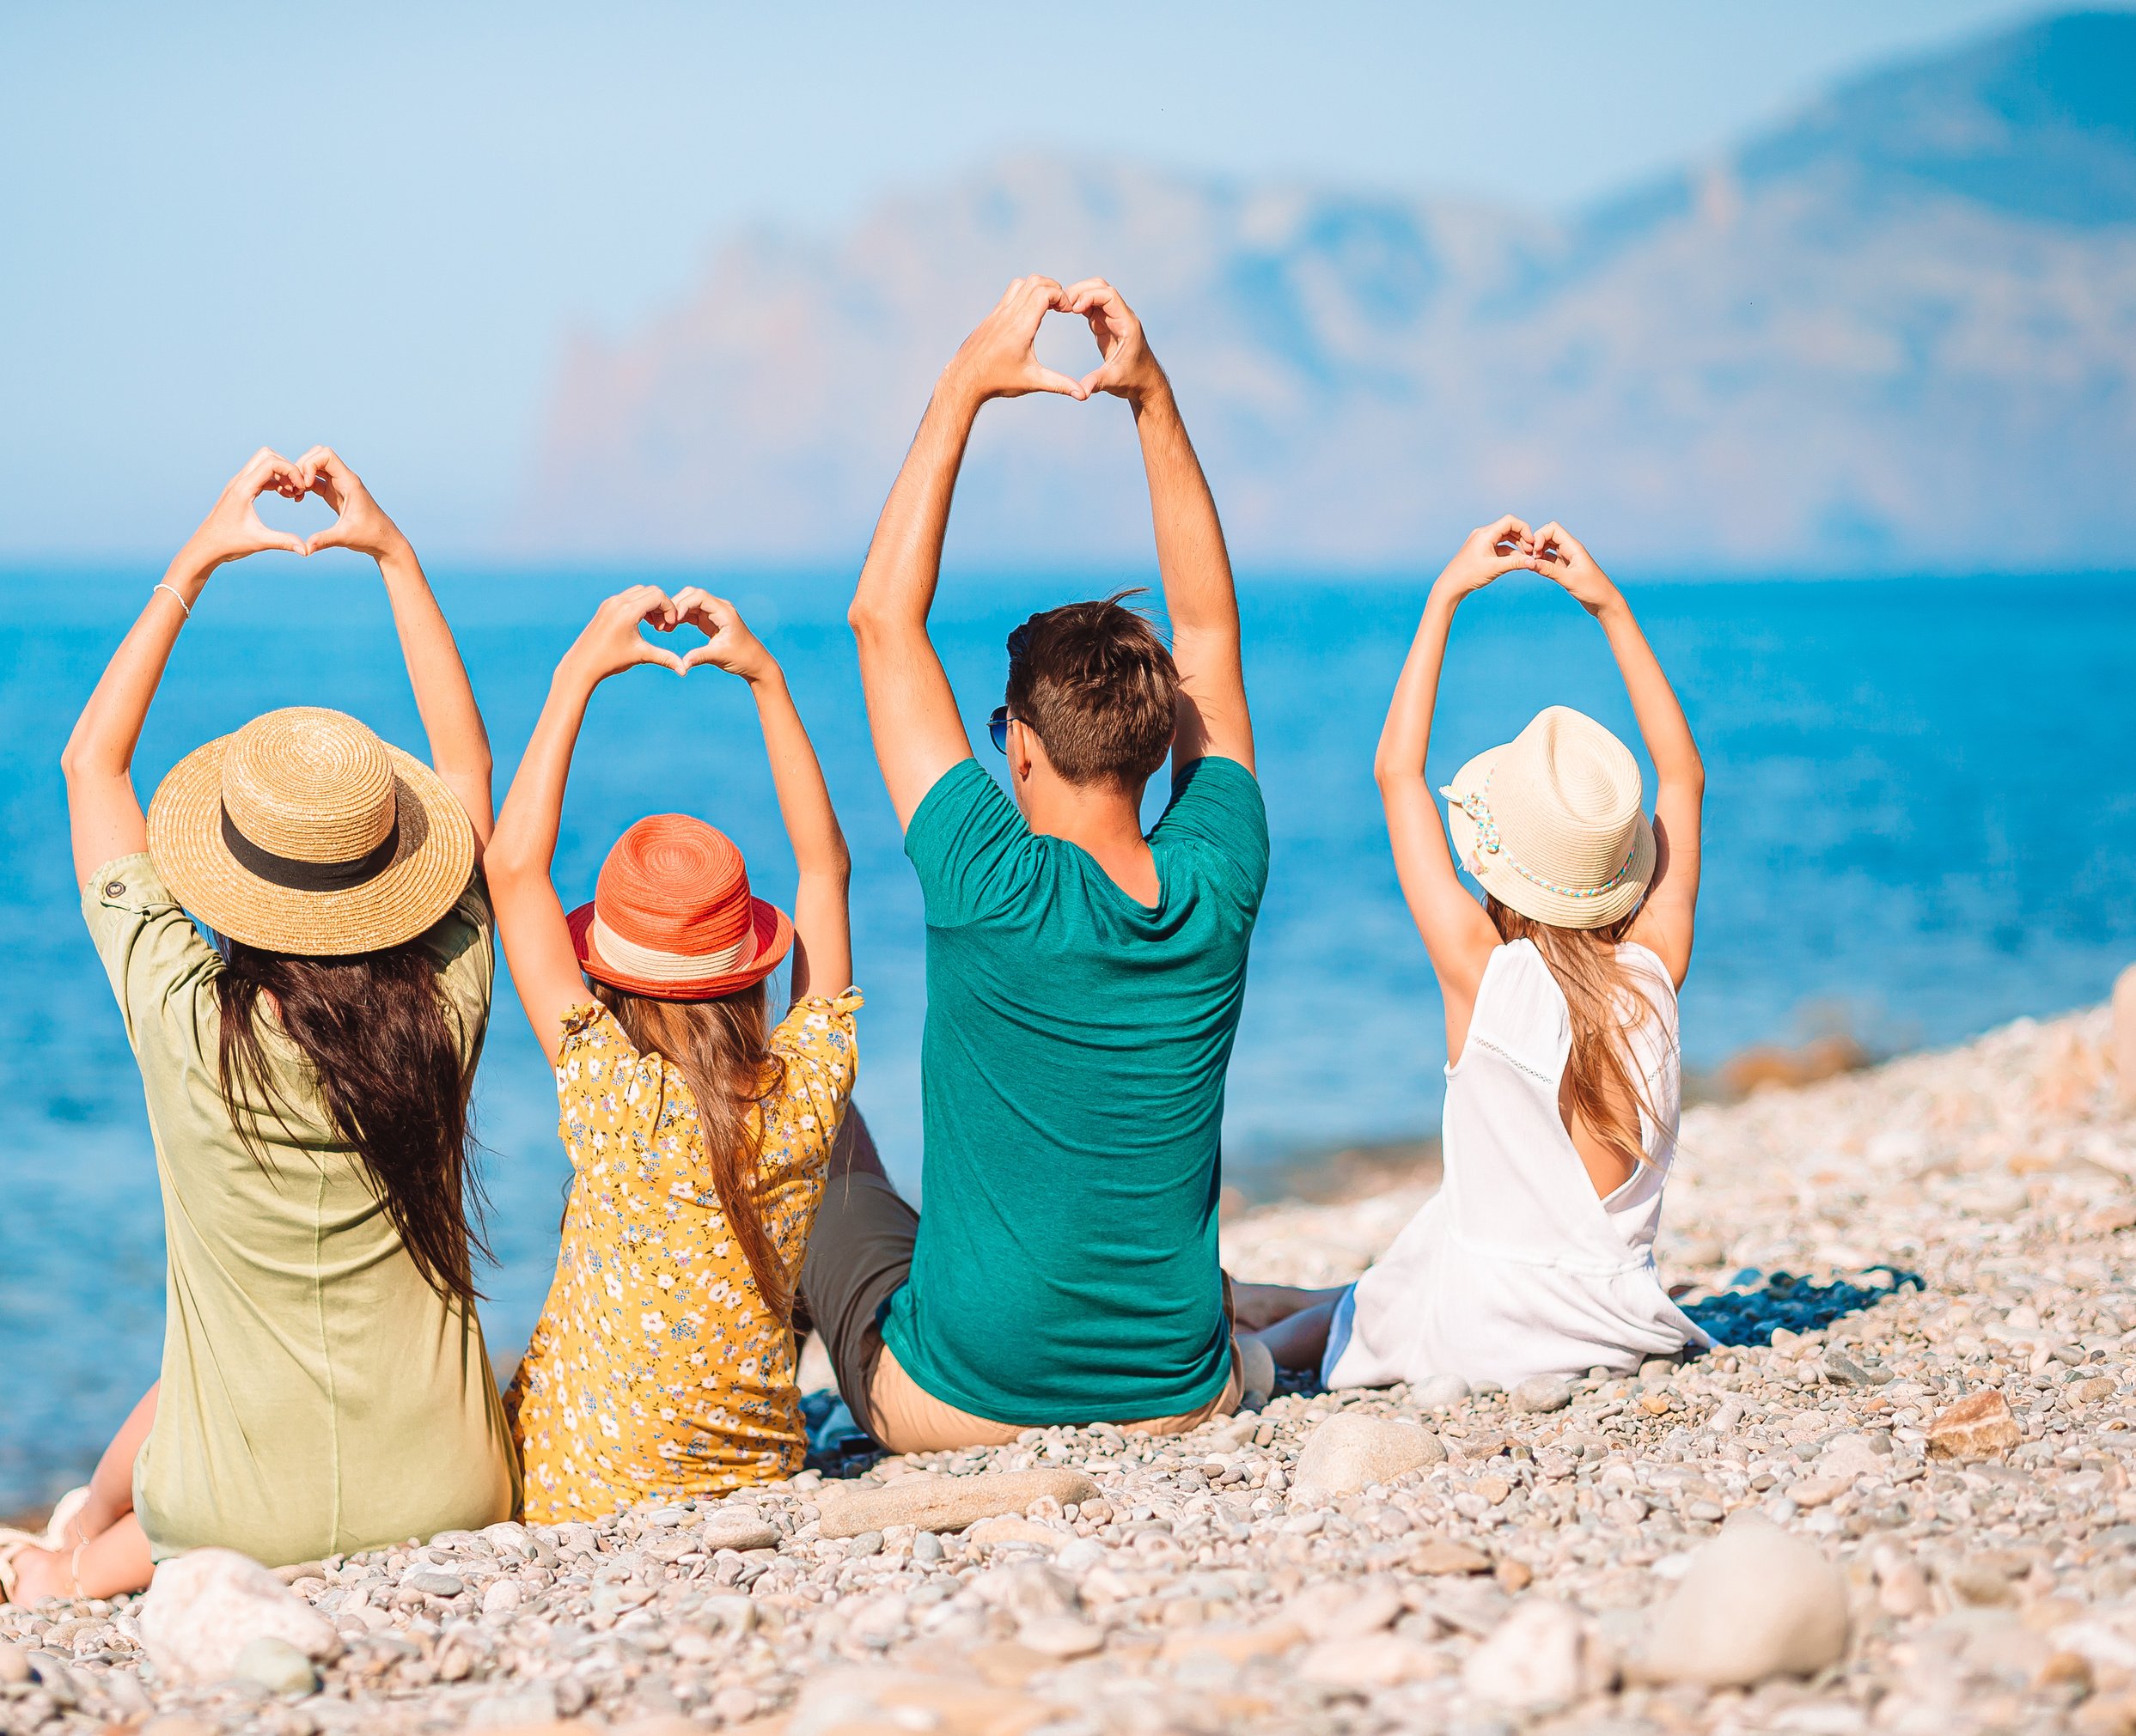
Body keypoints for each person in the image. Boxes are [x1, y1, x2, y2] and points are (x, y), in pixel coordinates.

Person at [0, 447, 517, 1613]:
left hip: (230, 1512)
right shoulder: (446, 1002)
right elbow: (465, 772)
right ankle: (65, 1555)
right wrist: (395, 559)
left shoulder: (181, 1016)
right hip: (452, 1488)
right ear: (389, 870)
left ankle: (53, 1568)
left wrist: (194, 562)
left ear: (233, 879)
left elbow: (87, 762)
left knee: (195, 1423)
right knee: (210, 1412)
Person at [803, 276, 1272, 1452]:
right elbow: (1207, 632)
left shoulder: (987, 882)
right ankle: (1268, 1340)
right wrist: (1150, 397)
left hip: (959, 1406)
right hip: (1177, 1392)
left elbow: (881, 622)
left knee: (820, 1155)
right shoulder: (1218, 876)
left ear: (1013, 744)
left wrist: (963, 381)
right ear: (1166, 738)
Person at [1242, 518, 1712, 1386]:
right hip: (1613, 1323)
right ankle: (1284, 1303)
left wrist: (1445, 596)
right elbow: (1683, 776)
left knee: (1380, 1298)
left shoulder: (1486, 976)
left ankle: (1260, 1335)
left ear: (1500, 868)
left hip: (1479, 1333)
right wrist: (1609, 606)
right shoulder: (1656, 971)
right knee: (1411, 1263)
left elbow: (1397, 772)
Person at [487, 585, 859, 1520]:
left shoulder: (612, 1091)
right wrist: (767, 680)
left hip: (577, 1488)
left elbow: (512, 868)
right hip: (765, 1469)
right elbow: (826, 869)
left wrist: (579, 671)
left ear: (604, 974)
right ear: (750, 967)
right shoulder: (809, 1089)